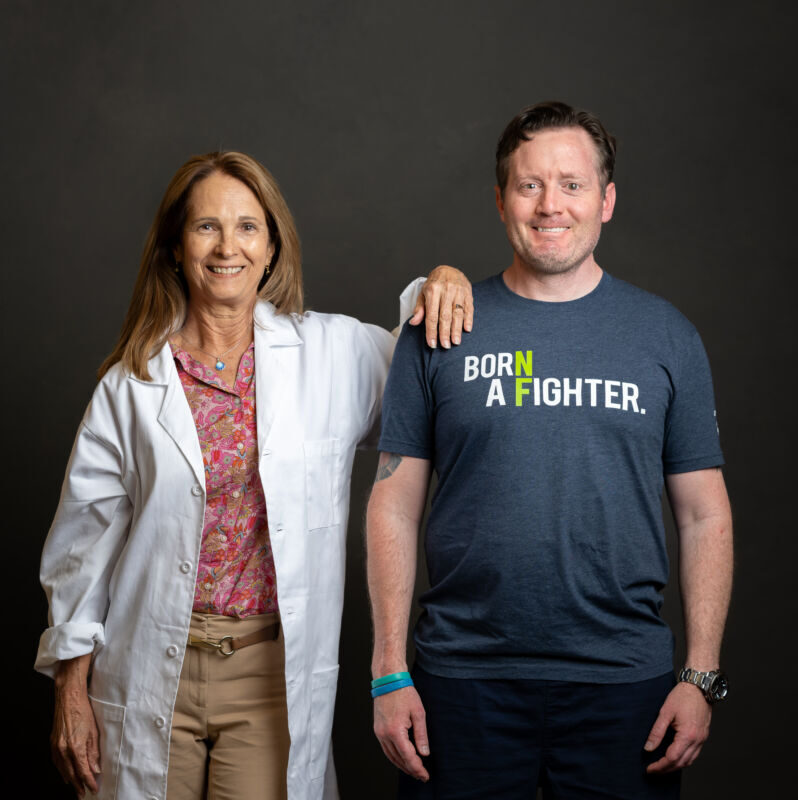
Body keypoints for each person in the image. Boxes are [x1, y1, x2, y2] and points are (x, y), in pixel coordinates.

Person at [35, 150, 474, 800]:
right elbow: (82, 547)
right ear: (176, 247)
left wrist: (442, 281)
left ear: (272, 247)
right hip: (151, 665)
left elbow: (422, 371)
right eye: (205, 226)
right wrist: (71, 689)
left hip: (268, 674)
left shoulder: (327, 354)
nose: (226, 246)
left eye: (246, 226)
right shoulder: (130, 384)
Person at [367, 101, 733, 799]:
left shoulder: (667, 337)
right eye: (530, 184)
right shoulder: (441, 329)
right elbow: (393, 504)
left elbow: (703, 516)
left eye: (571, 183)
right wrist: (389, 671)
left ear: (607, 200)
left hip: (627, 689)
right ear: (501, 198)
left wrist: (701, 675)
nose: (550, 205)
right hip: (460, 685)